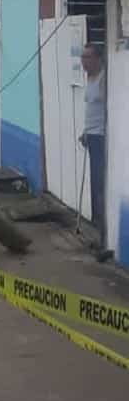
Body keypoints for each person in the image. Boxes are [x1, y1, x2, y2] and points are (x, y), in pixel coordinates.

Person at [80, 43, 110, 261]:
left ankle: (104, 238)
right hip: (91, 137)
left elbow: (108, 110)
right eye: (82, 56)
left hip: (102, 138)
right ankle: (98, 234)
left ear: (99, 59)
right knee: (94, 187)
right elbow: (91, 110)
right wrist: (85, 132)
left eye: (88, 57)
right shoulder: (89, 79)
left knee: (101, 187)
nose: (84, 61)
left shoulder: (104, 80)